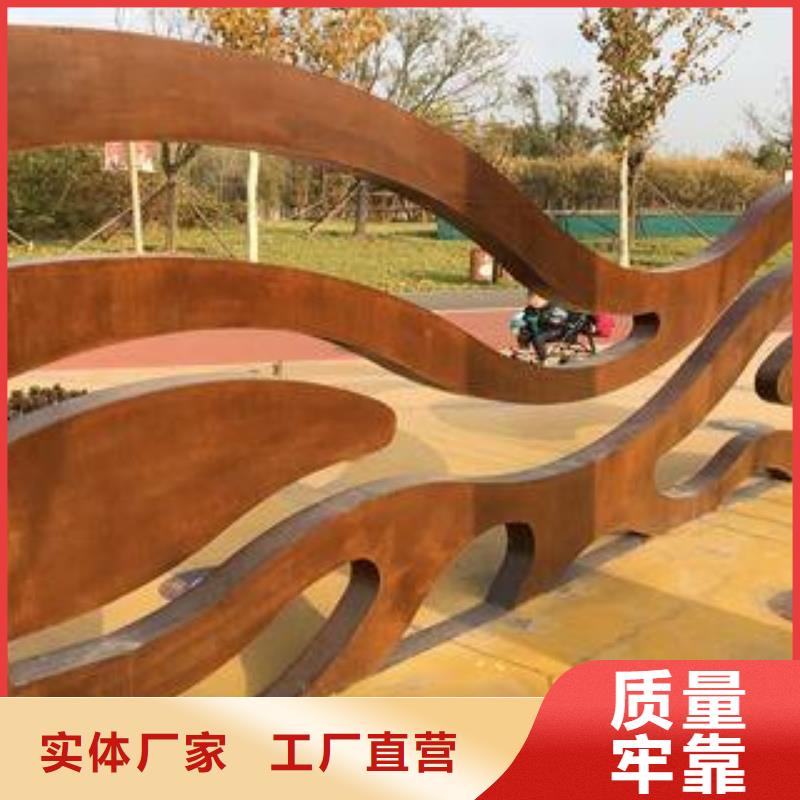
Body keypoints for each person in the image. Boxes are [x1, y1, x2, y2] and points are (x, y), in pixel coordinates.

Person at [511, 291, 569, 363]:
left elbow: (562, 318)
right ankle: (525, 350)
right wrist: (523, 324)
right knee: (524, 333)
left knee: (538, 338)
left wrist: (550, 319)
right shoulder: (529, 309)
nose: (535, 301)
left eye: (538, 299)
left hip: (554, 330)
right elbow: (524, 319)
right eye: (531, 299)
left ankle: (543, 358)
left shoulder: (553, 308)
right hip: (539, 329)